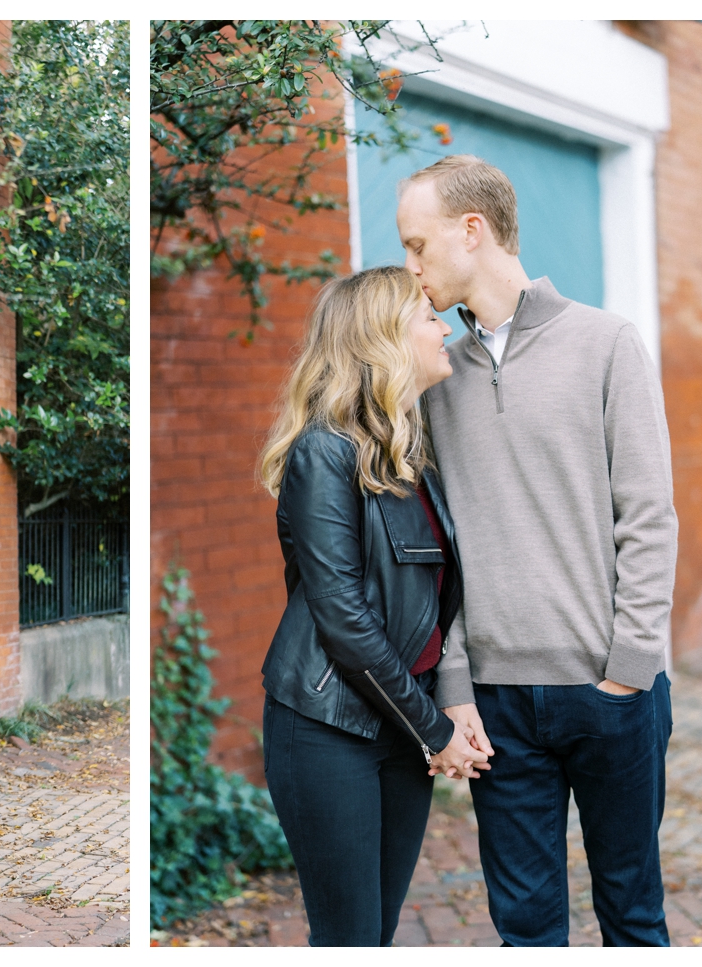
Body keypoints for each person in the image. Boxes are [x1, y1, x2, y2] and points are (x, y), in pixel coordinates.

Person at [398, 154, 678, 946]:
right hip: (497, 703)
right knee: (524, 929)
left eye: (419, 245)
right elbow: (437, 548)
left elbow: (649, 514)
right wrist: (454, 684)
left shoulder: (607, 343)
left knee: (632, 914)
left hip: (610, 691)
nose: (410, 266)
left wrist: (630, 666)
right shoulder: (436, 376)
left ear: (472, 231)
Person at [256, 265, 491, 947]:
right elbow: (344, 618)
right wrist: (435, 731)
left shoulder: (410, 457)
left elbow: (428, 608)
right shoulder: (322, 453)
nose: (443, 325)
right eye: (427, 317)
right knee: (350, 937)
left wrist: (441, 711)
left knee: (376, 932)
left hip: (398, 722)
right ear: (384, 338)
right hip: (327, 726)